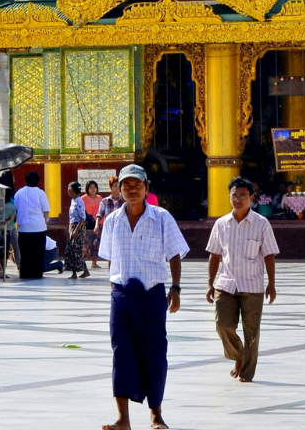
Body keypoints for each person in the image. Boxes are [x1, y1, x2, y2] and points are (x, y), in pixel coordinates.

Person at [99, 163, 189, 430]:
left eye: (137, 185)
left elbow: (174, 253)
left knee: (155, 353)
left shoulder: (161, 217)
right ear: (119, 189)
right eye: (126, 185)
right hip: (122, 295)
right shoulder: (112, 221)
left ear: (146, 188)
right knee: (121, 354)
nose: (132, 190)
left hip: (152, 295)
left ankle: (156, 415)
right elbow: (110, 259)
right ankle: (122, 419)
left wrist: (176, 288)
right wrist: (113, 290)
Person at [205, 176, 278, 383]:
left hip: (252, 285)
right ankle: (239, 355)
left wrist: (271, 284)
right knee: (223, 326)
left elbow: (269, 254)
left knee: (251, 331)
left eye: (243, 196)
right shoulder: (221, 224)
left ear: (251, 198)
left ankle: (246, 372)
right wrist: (210, 284)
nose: (238, 200)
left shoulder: (261, 224)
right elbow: (214, 255)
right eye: (234, 196)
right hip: (225, 283)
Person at [15, 171, 53, 280]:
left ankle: (25, 273)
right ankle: (37, 273)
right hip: (39, 227)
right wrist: (44, 221)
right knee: (38, 252)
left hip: (24, 227)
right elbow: (46, 210)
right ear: (38, 181)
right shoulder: (40, 193)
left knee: (25, 252)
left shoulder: (19, 193)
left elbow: (16, 208)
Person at [65, 181, 90, 279]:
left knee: (76, 250)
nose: (68, 191)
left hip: (78, 227)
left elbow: (82, 218)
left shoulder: (79, 201)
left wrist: (76, 231)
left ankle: (85, 270)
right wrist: (69, 227)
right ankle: (74, 273)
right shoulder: (73, 200)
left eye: (70, 189)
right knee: (70, 250)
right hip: (72, 226)